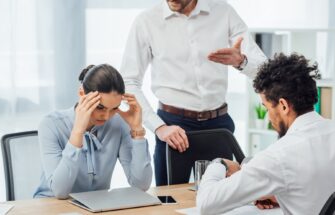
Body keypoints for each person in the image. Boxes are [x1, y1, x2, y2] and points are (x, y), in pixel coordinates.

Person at [120, 0, 266, 186]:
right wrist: (159, 127)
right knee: (169, 203)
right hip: (172, 128)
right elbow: (129, 82)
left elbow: (264, 68)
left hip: (218, 126)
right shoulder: (146, 21)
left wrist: (241, 61)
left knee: (223, 200)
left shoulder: (224, 12)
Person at [196, 53, 335, 215]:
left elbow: (206, 204)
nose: (269, 118)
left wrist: (219, 164)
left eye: (267, 108)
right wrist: (281, 195)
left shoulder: (280, 156)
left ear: (283, 106)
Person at [34, 64, 152, 199]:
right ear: (82, 94)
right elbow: (60, 192)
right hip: (52, 206)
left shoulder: (118, 124)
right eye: (100, 107)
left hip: (94, 207)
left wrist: (137, 130)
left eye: (114, 108)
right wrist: (78, 131)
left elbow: (141, 185)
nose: (106, 116)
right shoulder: (51, 124)